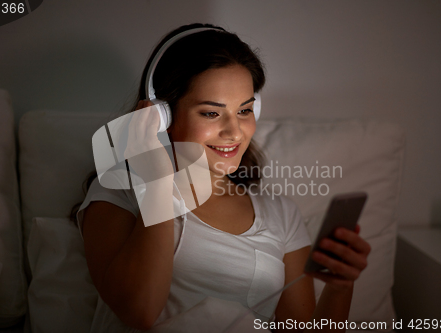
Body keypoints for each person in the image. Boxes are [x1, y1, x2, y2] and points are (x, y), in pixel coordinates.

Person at [73, 23, 371, 332]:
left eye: (244, 111)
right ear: (163, 117)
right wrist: (158, 183)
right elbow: (141, 313)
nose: (234, 132)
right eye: (211, 113)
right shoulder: (119, 193)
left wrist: (340, 287)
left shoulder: (280, 213)